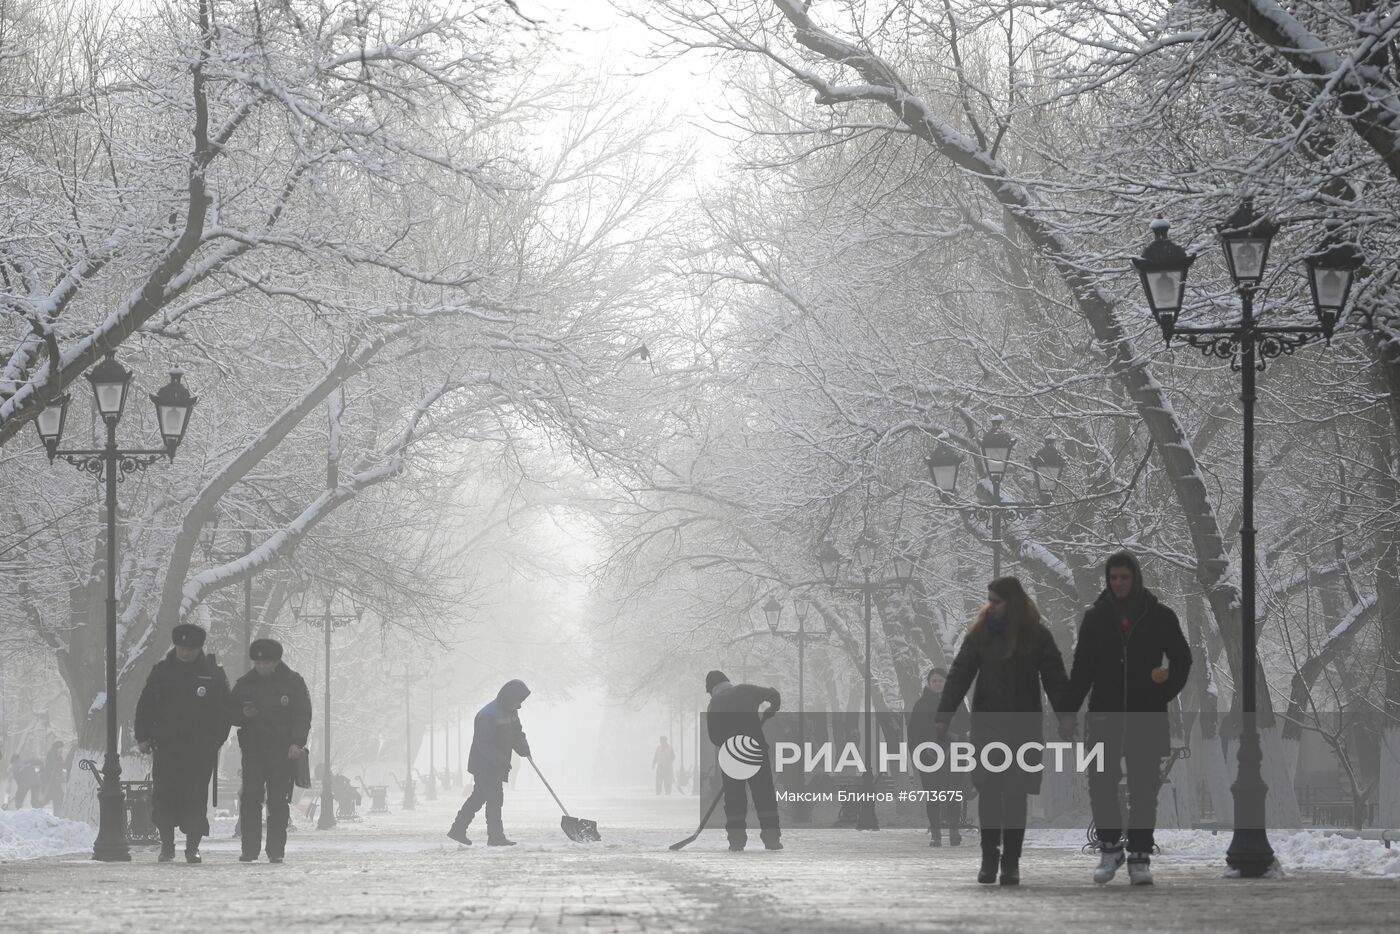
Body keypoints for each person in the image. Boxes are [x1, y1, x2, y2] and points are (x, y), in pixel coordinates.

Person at [1062, 550, 1192, 886]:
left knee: (1144, 787)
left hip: (1145, 716)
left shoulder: (1160, 616)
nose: (1119, 583)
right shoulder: (1095, 619)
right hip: (1103, 716)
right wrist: (1066, 713)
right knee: (1101, 785)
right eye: (1114, 577)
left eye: (1125, 577)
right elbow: (1082, 671)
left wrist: (1162, 692)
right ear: (1107, 580)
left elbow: (1182, 659)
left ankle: (1138, 856)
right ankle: (1109, 850)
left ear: (1135, 578)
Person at [936, 577, 1070, 886]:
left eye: (996, 601)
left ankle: (1011, 861)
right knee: (989, 791)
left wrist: (1065, 715)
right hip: (987, 727)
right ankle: (988, 857)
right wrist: (944, 716)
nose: (990, 606)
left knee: (1015, 794)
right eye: (989, 600)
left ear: (1013, 602)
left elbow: (1055, 678)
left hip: (1023, 728)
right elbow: (959, 676)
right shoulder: (980, 635)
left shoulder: (1037, 636)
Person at [133, 624, 231, 862]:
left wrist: (217, 739)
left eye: (190, 649)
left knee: (195, 796)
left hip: (199, 748)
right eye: (181, 648)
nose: (185, 653)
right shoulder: (162, 671)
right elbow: (145, 705)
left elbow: (224, 710)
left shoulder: (213, 674)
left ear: (199, 648)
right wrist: (143, 737)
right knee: (164, 795)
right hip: (167, 746)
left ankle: (192, 846)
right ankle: (166, 844)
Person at [231, 639, 312, 864]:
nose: (262, 667)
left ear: (276, 662)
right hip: (253, 750)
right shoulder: (245, 684)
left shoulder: (293, 682)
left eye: (266, 663)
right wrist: (242, 714)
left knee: (278, 802)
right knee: (250, 800)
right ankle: (249, 849)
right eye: (258, 663)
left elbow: (302, 715)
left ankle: (276, 850)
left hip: (282, 751)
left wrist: (297, 742)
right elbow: (230, 711)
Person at [447, 680, 532, 847]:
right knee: (494, 799)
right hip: (484, 764)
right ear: (510, 697)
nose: (520, 705)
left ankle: (458, 829)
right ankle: (495, 837)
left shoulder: (511, 712)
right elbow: (484, 743)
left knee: (478, 798)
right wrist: (500, 760)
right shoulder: (488, 714)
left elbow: (516, 733)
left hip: (495, 764)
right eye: (519, 700)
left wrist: (523, 748)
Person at [705, 669, 782, 852]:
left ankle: (736, 840)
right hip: (756, 750)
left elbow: (714, 737)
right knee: (764, 796)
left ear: (712, 688)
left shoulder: (714, 704)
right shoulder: (746, 690)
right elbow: (773, 695)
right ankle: (772, 839)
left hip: (731, 755)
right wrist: (772, 709)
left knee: (734, 799)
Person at [907, 667, 965, 847]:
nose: (937, 684)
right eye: (934, 681)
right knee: (933, 796)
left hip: (954, 755)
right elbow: (913, 734)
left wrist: (957, 737)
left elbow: (967, 726)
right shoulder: (921, 705)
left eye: (940, 680)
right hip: (929, 757)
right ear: (929, 683)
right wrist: (919, 755)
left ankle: (954, 831)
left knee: (954, 794)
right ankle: (936, 834)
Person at [40, 741, 67, 811]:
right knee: (56, 796)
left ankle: (56, 814)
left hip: (54, 780)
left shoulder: (55, 753)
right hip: (51, 779)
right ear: (57, 747)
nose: (62, 750)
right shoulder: (52, 753)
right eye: (61, 748)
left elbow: (60, 765)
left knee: (56, 796)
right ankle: (37, 809)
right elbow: (53, 766)